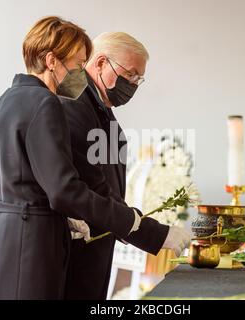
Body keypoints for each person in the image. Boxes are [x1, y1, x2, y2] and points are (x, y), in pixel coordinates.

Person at [0, 17, 148, 300]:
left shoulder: (1, 104)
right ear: (52, 60)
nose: (81, 72)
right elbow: (62, 190)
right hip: (33, 243)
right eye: (80, 64)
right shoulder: (47, 103)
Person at [60, 32, 190, 300]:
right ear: (99, 63)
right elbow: (93, 191)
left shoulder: (97, 104)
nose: (133, 84)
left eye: (138, 79)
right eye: (130, 74)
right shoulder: (72, 101)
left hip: (97, 242)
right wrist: (156, 234)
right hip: (77, 250)